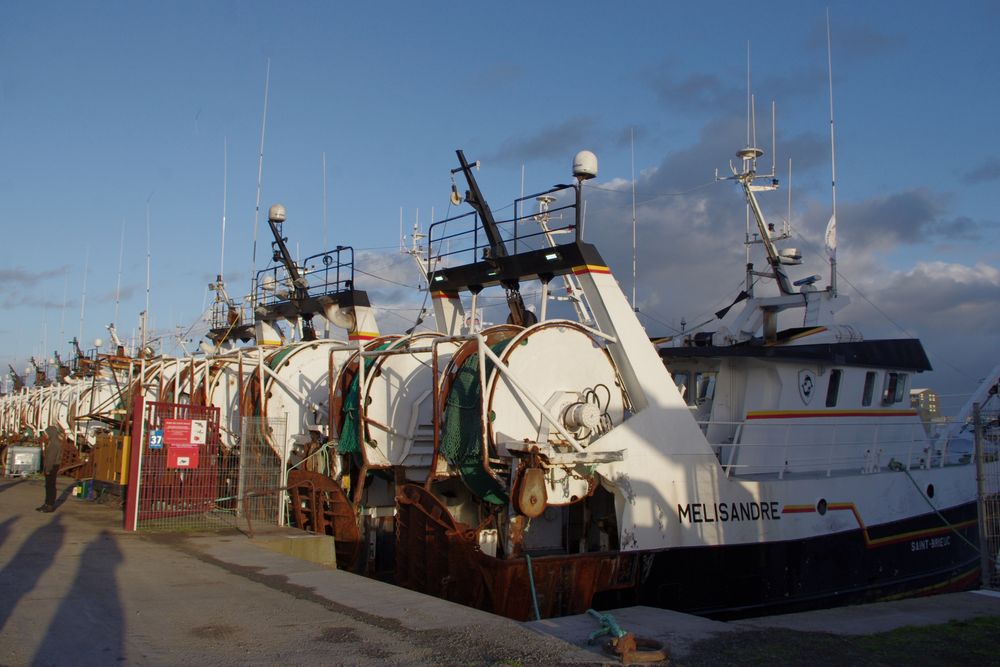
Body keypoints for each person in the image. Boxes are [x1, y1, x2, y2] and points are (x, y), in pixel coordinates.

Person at [37, 425, 63, 513]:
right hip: (52, 466)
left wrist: (47, 469)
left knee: (50, 486)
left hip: (52, 467)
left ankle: (49, 505)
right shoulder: (53, 442)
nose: (46, 435)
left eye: (47, 433)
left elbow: (51, 458)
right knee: (48, 486)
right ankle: (47, 503)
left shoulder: (54, 444)